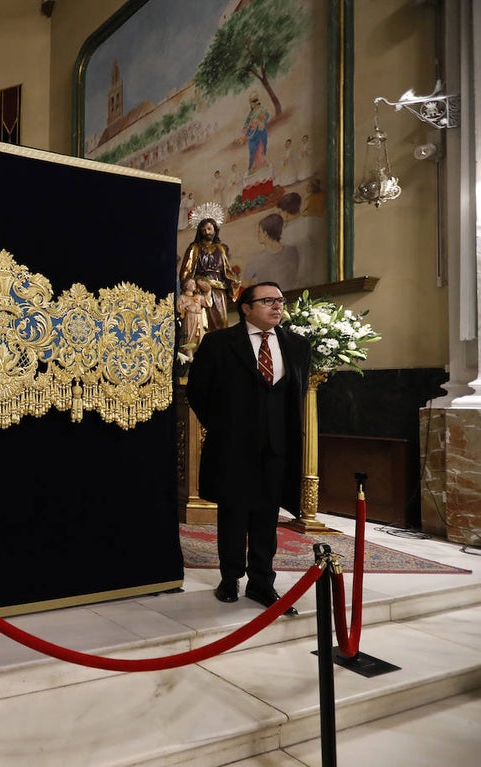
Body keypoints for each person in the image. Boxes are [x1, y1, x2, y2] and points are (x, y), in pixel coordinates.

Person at [185, 281, 310, 616]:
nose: (277, 306)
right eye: (268, 300)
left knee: (267, 515)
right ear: (246, 307)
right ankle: (230, 578)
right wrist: (223, 425)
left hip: (277, 445)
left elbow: (295, 394)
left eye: (280, 300)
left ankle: (262, 582)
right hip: (233, 445)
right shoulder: (220, 343)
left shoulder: (297, 345)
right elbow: (198, 391)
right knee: (234, 512)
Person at [179, 217, 240, 333]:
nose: (206, 232)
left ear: (215, 230)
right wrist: (192, 284)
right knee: (201, 323)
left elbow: (226, 269)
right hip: (200, 291)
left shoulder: (220, 249)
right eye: (203, 230)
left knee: (221, 323)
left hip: (218, 292)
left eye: (209, 229)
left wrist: (233, 280)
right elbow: (186, 271)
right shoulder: (194, 248)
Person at [240, 212, 300, 290]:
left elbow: (243, 287)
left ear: (265, 234)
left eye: (259, 232)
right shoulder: (293, 251)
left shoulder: (255, 261)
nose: (258, 235)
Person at [176, 277, 212, 358]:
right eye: (191, 283)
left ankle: (198, 356)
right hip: (189, 318)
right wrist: (186, 304)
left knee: (200, 337)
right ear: (186, 286)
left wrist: (207, 289)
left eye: (194, 283)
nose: (194, 285)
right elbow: (178, 309)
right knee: (189, 337)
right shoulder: (182, 297)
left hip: (199, 318)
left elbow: (208, 303)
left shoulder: (198, 297)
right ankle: (189, 357)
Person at [243, 93, 271, 173]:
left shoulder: (261, 110)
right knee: (253, 151)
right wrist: (246, 130)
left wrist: (260, 121)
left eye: (253, 102)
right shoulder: (251, 113)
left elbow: (266, 117)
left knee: (261, 148)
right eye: (251, 103)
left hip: (260, 133)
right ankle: (252, 166)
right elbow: (246, 123)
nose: (252, 105)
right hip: (252, 135)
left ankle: (262, 163)